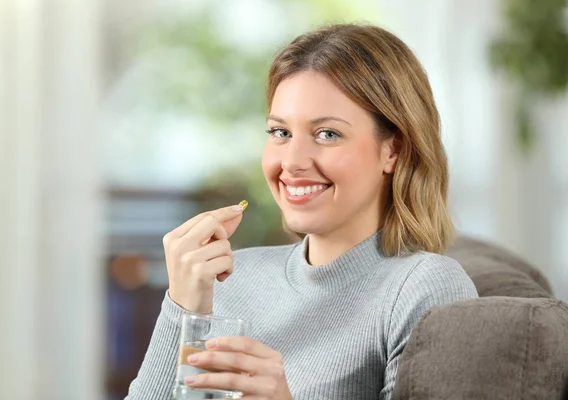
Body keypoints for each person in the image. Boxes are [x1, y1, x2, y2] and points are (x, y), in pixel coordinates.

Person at [126, 23, 478, 399]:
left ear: (393, 150)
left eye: (327, 134)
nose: (292, 162)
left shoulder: (425, 287)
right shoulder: (232, 280)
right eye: (280, 132)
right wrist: (184, 308)